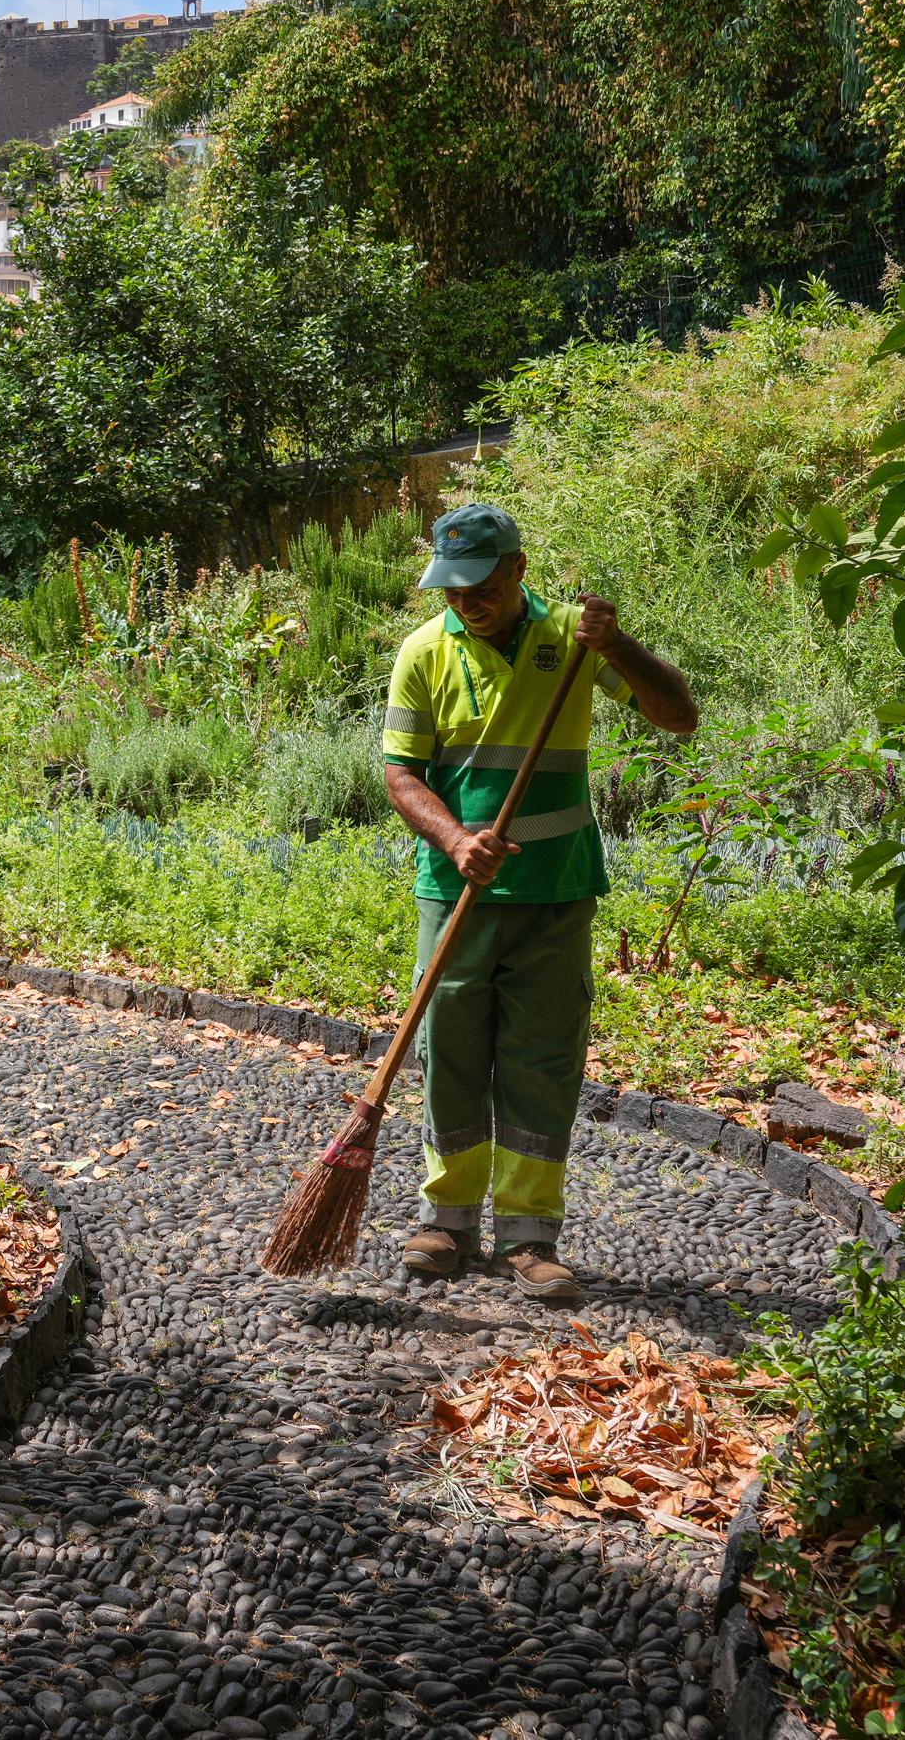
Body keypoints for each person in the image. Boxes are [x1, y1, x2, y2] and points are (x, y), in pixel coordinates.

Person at [379, 501, 696, 1305]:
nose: (466, 602)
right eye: (452, 590)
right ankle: (448, 1222)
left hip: (555, 891)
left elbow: (679, 717)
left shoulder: (572, 640)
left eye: (480, 587)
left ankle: (528, 1236)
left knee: (541, 1063)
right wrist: (456, 841)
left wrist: (618, 646)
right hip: (456, 891)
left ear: (518, 569)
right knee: (449, 1053)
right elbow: (401, 775)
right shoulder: (422, 652)